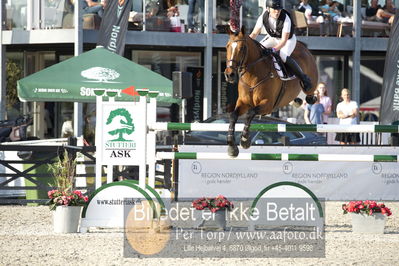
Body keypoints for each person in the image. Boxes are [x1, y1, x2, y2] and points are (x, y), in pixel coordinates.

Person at [249, 0, 312, 92]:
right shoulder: (263, 16)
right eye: (274, 9)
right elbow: (254, 33)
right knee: (259, 50)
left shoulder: (286, 18)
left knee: (282, 56)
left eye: (278, 9)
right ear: (267, 9)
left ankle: (304, 78)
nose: (277, 11)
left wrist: (273, 49)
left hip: (288, 40)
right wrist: (246, 41)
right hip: (272, 37)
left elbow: (284, 40)